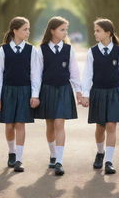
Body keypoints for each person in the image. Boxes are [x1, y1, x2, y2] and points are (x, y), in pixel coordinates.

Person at [34, 16, 82, 176]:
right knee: (50, 125)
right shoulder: (40, 50)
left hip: (63, 89)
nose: (65, 32)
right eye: (62, 29)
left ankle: (59, 161)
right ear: (52, 30)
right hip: (46, 90)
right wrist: (35, 95)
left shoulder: (69, 49)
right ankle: (53, 155)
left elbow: (74, 72)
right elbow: (36, 75)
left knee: (59, 124)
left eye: (66, 30)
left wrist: (79, 92)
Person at [82, 18, 119, 174]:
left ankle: (109, 161)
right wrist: (85, 94)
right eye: (94, 30)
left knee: (111, 125)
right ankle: (100, 152)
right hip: (98, 92)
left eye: (98, 30)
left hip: (115, 92)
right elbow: (87, 75)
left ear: (108, 33)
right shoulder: (92, 52)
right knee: (100, 127)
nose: (95, 33)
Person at [0, 16, 40, 173]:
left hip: (25, 91)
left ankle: (19, 159)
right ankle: (11, 152)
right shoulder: (3, 50)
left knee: (20, 124)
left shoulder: (32, 50)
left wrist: (35, 95)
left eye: (28, 29)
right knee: (9, 125)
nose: (28, 32)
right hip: (8, 91)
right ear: (15, 30)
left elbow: (35, 75)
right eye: (25, 29)